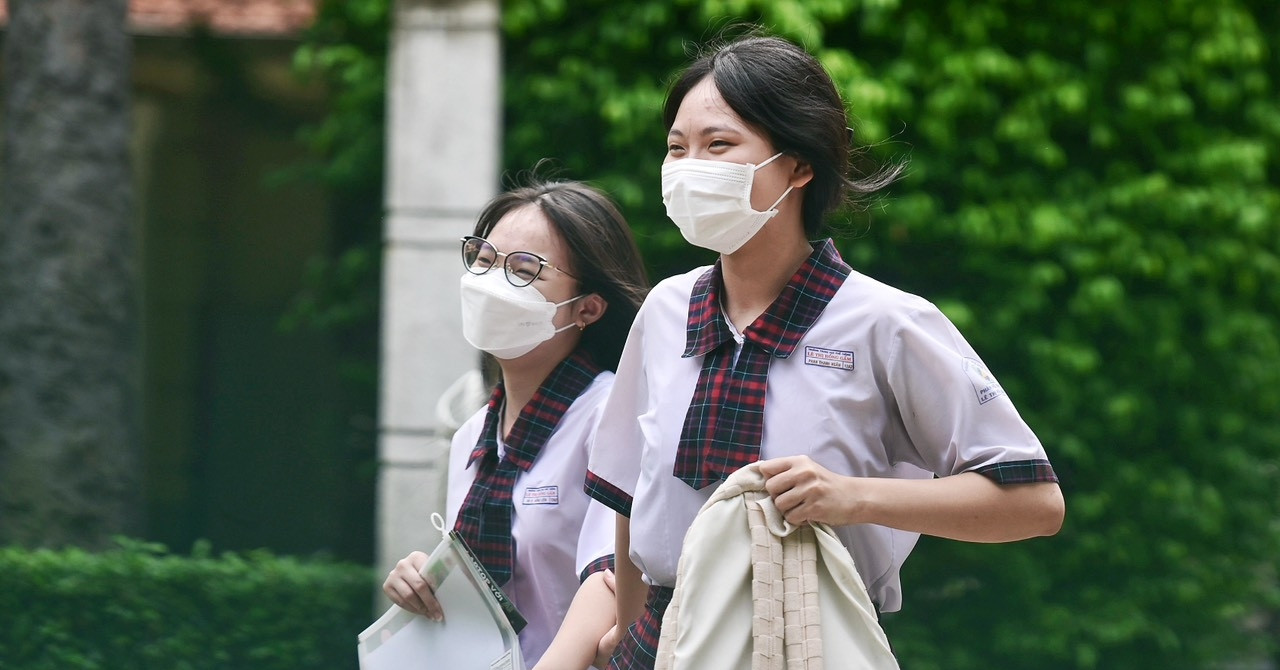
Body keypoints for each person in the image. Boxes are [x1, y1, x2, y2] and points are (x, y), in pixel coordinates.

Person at [579, 33, 1066, 669]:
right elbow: (626, 493)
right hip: (664, 644)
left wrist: (852, 496)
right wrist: (627, 635)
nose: (689, 165)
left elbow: (1034, 502)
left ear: (799, 165)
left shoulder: (886, 323)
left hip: (810, 640)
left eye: (718, 144)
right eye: (677, 148)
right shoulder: (666, 311)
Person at [382, 177, 649, 667]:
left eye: (524, 270)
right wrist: (426, 578)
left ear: (586, 308)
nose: (492, 282)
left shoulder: (611, 414)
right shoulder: (472, 437)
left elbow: (609, 580)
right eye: (484, 260)